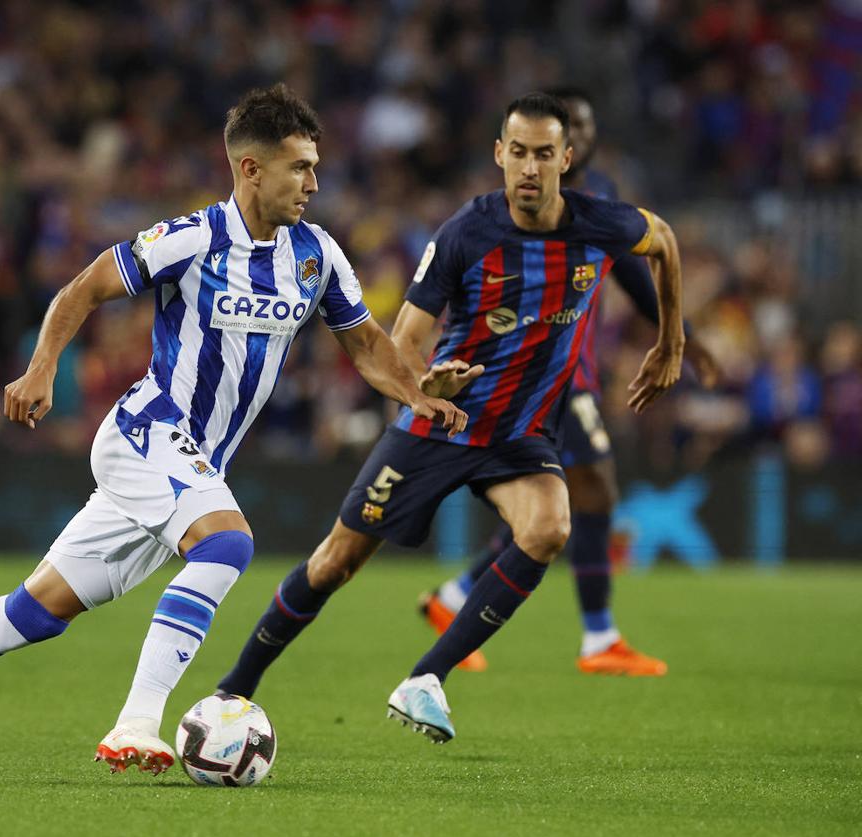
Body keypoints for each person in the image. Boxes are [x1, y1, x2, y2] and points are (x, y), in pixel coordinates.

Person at [0, 84, 466, 777]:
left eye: (314, 166)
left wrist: (419, 391)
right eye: (299, 166)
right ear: (250, 169)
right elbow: (84, 288)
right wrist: (40, 370)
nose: (313, 181)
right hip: (147, 431)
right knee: (228, 543)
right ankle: (135, 724)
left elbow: (365, 345)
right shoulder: (193, 237)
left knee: (33, 613)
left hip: (192, 464)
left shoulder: (318, 256)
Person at [217, 92, 686, 743]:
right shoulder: (467, 233)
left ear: (566, 159)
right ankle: (232, 689)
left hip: (519, 435)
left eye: (543, 155)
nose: (528, 168)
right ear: (499, 154)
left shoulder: (598, 223)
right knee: (334, 564)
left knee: (550, 525)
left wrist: (671, 342)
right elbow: (404, 339)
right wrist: (423, 386)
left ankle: (426, 678)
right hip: (440, 424)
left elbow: (662, 239)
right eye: (517, 152)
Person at [420, 86, 720, 677]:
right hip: (540, 375)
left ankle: (458, 598)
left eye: (580, 128)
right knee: (590, 494)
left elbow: (637, 271)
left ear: (577, 144)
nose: (573, 138)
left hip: (567, 370)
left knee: (572, 502)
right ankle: (596, 637)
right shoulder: (508, 210)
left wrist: (676, 332)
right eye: (565, 128)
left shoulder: (595, 205)